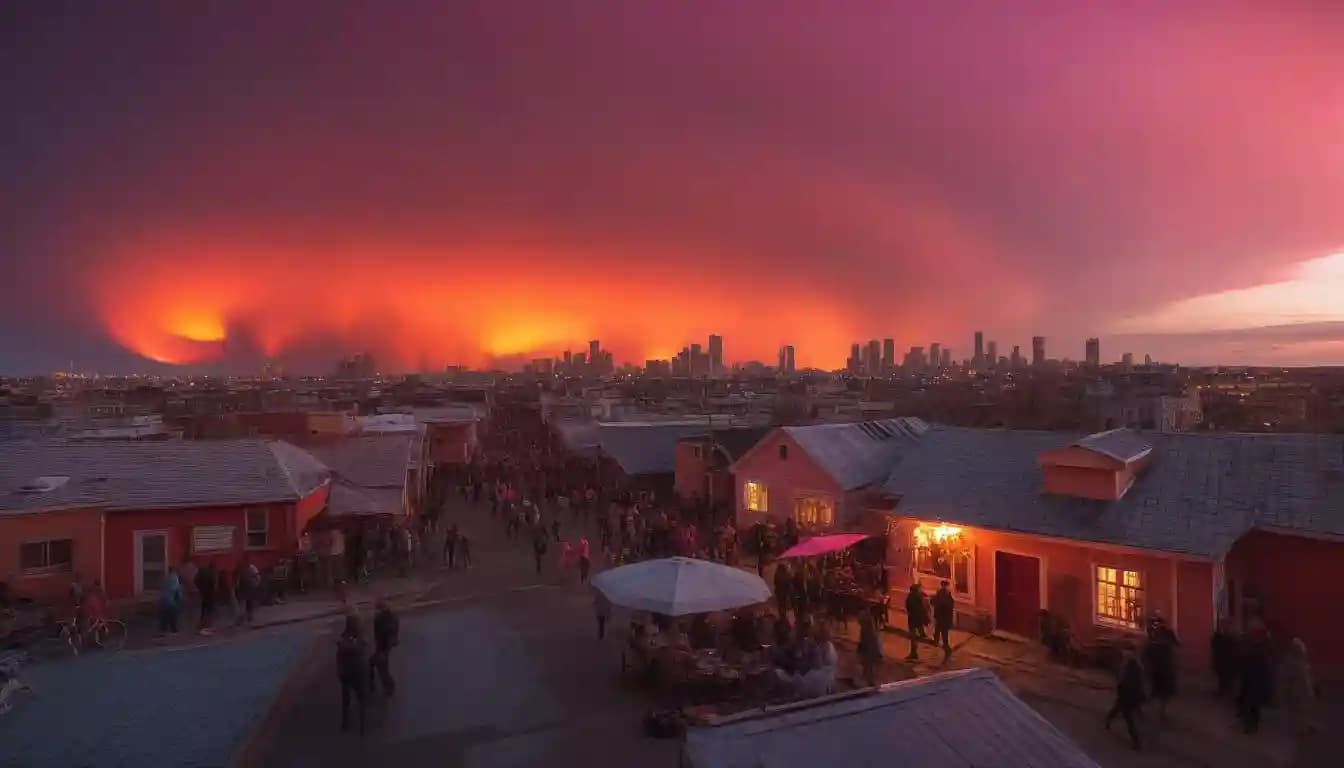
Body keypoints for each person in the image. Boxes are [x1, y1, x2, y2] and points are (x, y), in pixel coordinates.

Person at [1105, 649, 1145, 750]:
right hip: (1130, 696)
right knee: (1124, 713)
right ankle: (1108, 721)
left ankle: (1136, 741)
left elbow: (1123, 681)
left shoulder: (1130, 667)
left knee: (1125, 715)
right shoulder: (1135, 667)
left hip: (1128, 695)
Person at [1277, 638, 1318, 735]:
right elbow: (1286, 678)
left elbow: (1307, 675)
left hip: (1303, 690)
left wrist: (1313, 685)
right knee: (1297, 710)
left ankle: (1304, 726)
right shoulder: (1291, 662)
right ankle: (1300, 729)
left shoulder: (1300, 661)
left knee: (1304, 710)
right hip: (1296, 691)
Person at [1238, 620, 1273, 734]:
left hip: (1255, 678)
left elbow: (1266, 662)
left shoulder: (1262, 644)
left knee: (1253, 703)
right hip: (1250, 677)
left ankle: (1251, 725)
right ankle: (1250, 724)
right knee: (1251, 702)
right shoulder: (1253, 642)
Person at [1143, 616, 1180, 721]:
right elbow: (1147, 651)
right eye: (1156, 624)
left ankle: (1162, 711)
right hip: (1158, 668)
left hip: (1166, 667)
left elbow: (1177, 644)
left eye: (1159, 623)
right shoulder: (1152, 635)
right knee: (1156, 690)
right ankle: (1147, 706)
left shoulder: (1168, 633)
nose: (1158, 625)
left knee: (1164, 692)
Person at [336, 615, 368, 733]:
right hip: (355, 672)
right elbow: (361, 651)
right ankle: (361, 725)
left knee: (347, 699)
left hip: (347, 673)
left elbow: (340, 657)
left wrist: (339, 671)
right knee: (360, 698)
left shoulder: (343, 639)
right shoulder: (359, 639)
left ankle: (347, 722)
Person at [369, 598, 399, 696]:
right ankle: (374, 685)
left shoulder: (383, 619)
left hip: (383, 647)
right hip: (382, 647)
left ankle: (389, 687)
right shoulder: (388, 617)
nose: (375, 610)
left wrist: (384, 651)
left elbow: (388, 634)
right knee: (373, 664)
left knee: (382, 669)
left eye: (377, 608)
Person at [1210, 617, 1239, 697]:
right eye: (1223, 625)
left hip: (1229, 661)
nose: (1224, 627)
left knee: (1228, 677)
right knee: (1222, 677)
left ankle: (1227, 691)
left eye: (1226, 625)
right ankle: (1223, 691)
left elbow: (1234, 648)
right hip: (1222, 660)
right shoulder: (1219, 636)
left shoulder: (1232, 637)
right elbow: (1215, 645)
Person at [931, 580, 955, 661]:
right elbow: (944, 605)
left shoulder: (943, 593)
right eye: (949, 585)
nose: (950, 587)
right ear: (945, 586)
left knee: (939, 631)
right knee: (944, 634)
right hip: (943, 618)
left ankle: (936, 641)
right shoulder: (942, 595)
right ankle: (947, 650)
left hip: (942, 617)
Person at [858, 610, 883, 686]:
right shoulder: (864, 630)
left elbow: (873, 643)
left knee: (869, 668)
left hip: (870, 653)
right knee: (867, 669)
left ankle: (870, 683)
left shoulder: (869, 632)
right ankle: (868, 681)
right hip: (867, 652)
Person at [904, 584, 928, 660]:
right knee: (914, 635)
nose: (921, 589)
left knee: (913, 637)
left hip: (912, 619)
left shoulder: (910, 597)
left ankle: (914, 653)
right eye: (920, 588)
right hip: (917, 618)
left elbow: (908, 607)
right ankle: (914, 652)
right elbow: (922, 608)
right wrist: (925, 618)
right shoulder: (919, 597)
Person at [159, 566, 183, 635]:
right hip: (170, 599)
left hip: (162, 599)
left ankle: (163, 628)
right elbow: (177, 590)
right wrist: (180, 599)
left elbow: (161, 587)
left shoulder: (165, 577)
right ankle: (173, 629)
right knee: (173, 614)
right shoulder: (175, 578)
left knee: (164, 614)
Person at [196, 562, 217, 635]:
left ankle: (202, 625)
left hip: (204, 594)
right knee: (210, 610)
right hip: (210, 595)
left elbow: (196, 581)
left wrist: (200, 589)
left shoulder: (203, 572)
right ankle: (208, 626)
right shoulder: (212, 574)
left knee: (204, 609)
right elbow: (214, 585)